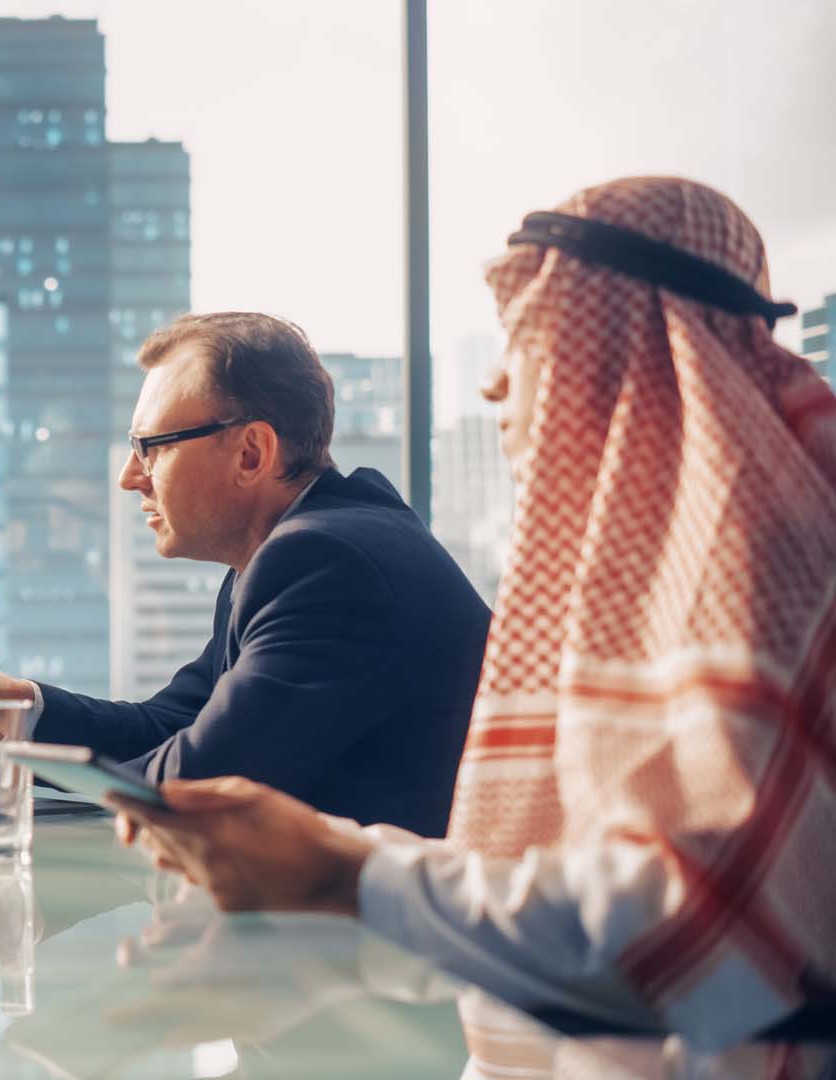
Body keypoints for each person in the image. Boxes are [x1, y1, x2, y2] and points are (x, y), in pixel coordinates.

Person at [107, 177, 836, 1051]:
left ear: (646, 360)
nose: (493, 384)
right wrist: (339, 893)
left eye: (537, 342)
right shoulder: (663, 571)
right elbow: (563, 887)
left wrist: (349, 878)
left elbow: (703, 955)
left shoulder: (754, 564)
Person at [0, 313, 490, 835]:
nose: (129, 476)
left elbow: (196, 781)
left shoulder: (325, 561)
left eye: (153, 445)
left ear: (252, 453)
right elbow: (171, 726)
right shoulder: (298, 544)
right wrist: (4, 703)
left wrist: (7, 765)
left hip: (393, 951)